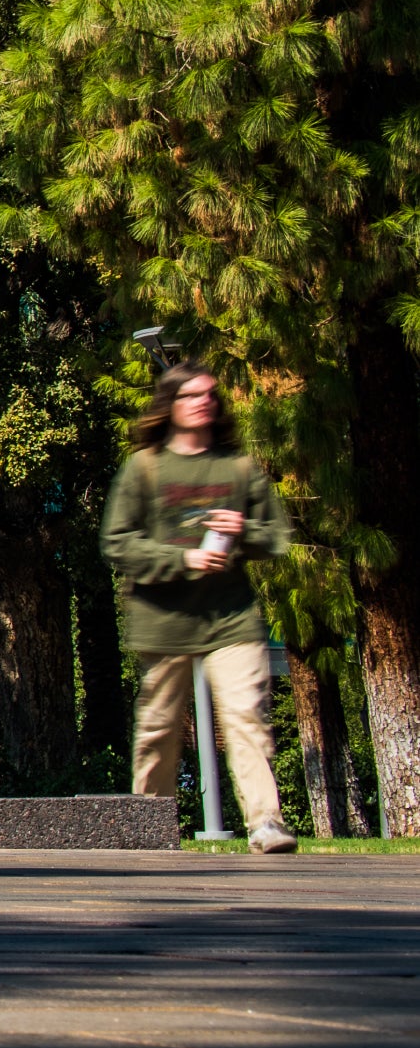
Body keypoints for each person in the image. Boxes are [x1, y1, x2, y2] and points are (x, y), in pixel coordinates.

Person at [104, 360, 296, 854]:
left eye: (209, 394)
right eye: (191, 395)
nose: (203, 402)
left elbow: (276, 538)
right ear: (170, 405)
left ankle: (266, 823)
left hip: (231, 619)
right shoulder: (143, 469)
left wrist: (241, 531)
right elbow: (118, 544)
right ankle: (147, 829)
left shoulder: (239, 468)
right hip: (163, 622)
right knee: (159, 730)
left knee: (246, 716)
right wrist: (186, 557)